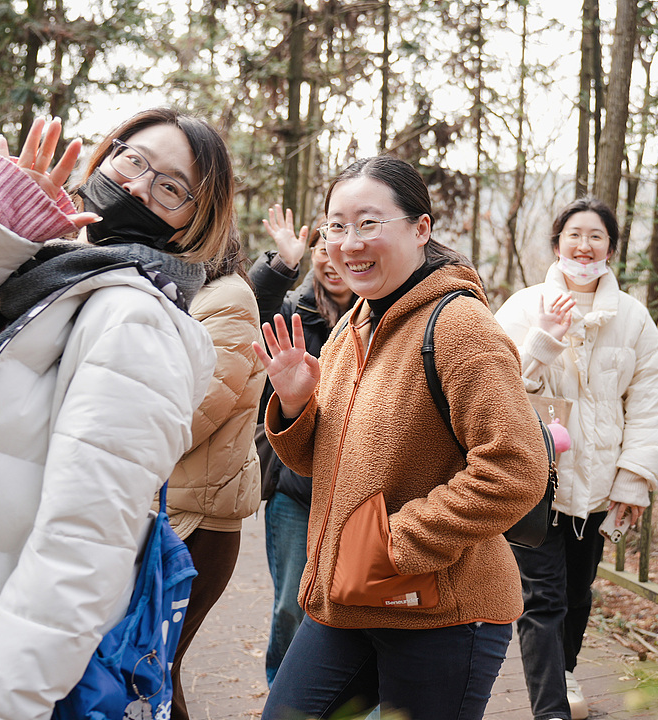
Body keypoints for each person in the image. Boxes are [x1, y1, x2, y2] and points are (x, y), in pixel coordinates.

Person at [0, 108, 235, 720]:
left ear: (194, 222)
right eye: (133, 160)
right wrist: (2, 227)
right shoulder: (46, 274)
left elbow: (81, 553)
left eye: (170, 187)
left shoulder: (137, 322)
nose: (138, 187)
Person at [253, 155, 547, 720]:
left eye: (369, 223)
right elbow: (320, 462)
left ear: (420, 228)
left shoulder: (460, 326)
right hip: (344, 600)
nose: (349, 242)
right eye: (337, 225)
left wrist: (395, 546)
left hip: (442, 609)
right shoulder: (351, 326)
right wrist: (295, 404)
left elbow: (517, 469)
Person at [494, 197, 658, 720]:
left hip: (597, 484)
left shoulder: (634, 319)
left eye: (596, 236)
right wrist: (544, 337)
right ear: (556, 244)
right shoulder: (523, 307)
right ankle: (551, 709)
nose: (584, 245)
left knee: (578, 592)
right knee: (542, 600)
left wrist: (633, 480)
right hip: (537, 481)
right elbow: (498, 387)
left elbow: (651, 401)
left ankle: (565, 672)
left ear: (611, 249)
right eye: (574, 235)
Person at [249, 202, 355, 685]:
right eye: (321, 247)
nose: (330, 261)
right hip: (294, 490)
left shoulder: (380, 315)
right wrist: (281, 265)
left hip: (358, 492)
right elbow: (252, 311)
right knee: (292, 606)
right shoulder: (294, 310)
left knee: (350, 608)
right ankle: (282, 696)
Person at [162, 231, 267, 720]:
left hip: (198, 519)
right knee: (154, 661)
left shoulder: (227, 300)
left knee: (154, 661)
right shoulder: (187, 291)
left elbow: (198, 409)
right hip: (178, 504)